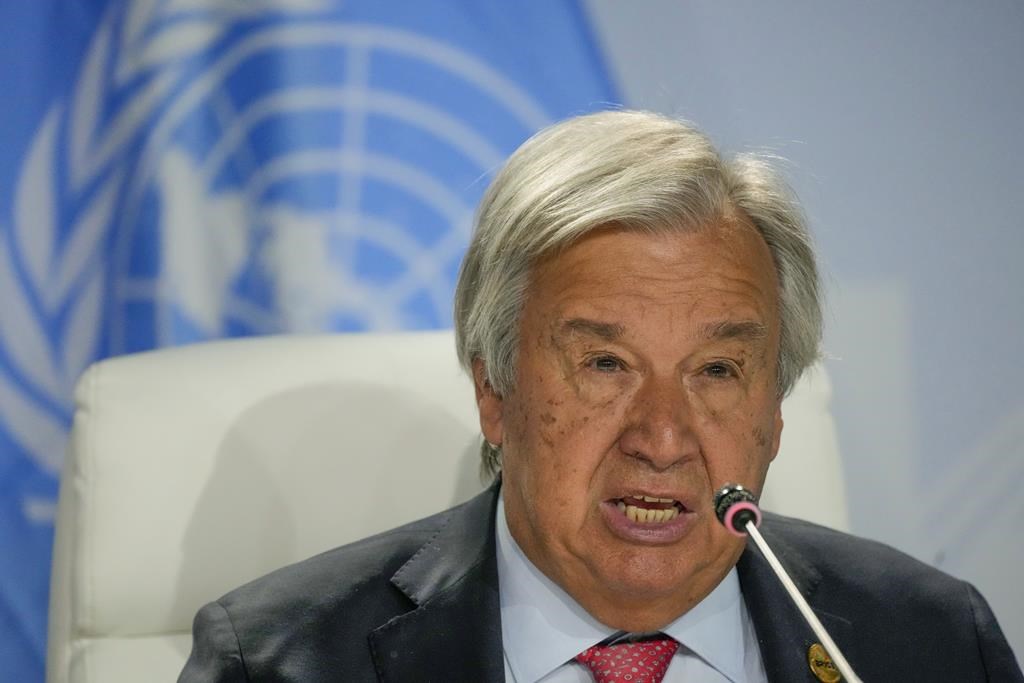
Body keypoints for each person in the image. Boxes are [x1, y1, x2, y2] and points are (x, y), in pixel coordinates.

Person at [179, 110, 1021, 682]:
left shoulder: (934, 644)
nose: (662, 437)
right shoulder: (283, 660)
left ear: (773, 415)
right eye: (606, 364)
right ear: (493, 389)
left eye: (718, 371)